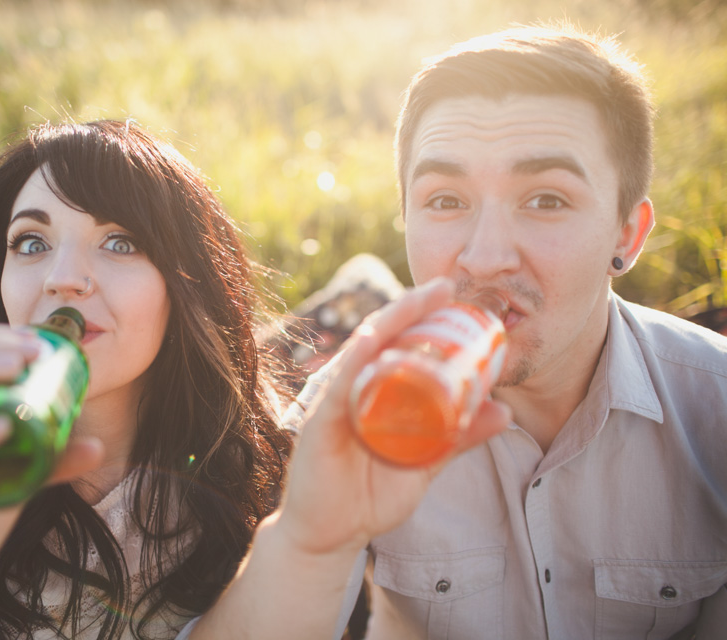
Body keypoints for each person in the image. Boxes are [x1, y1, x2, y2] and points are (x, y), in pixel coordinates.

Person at [187, 23, 727, 639]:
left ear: (626, 234)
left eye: (546, 199)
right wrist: (310, 541)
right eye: (446, 200)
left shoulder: (714, 410)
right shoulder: (349, 414)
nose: (485, 256)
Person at [0, 120, 292, 639]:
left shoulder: (254, 467)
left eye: (120, 241)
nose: (63, 277)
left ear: (186, 283)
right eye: (30, 242)